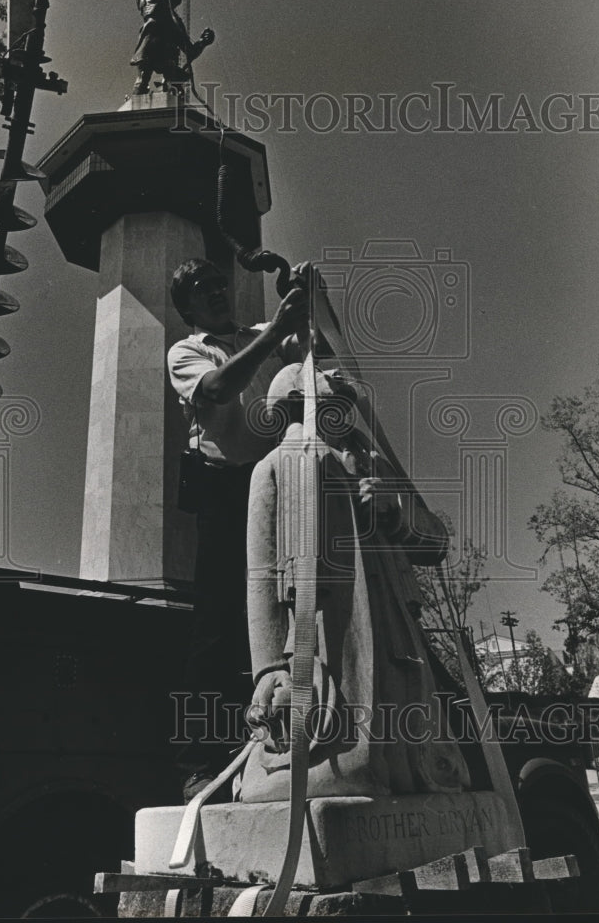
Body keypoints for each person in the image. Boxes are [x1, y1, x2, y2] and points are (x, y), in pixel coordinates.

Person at [241, 362, 469, 801]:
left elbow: (435, 542)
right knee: (340, 747)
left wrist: (395, 511)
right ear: (295, 403)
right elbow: (260, 578)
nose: (342, 407)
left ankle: (413, 777)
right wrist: (268, 669)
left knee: (413, 745)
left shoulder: (377, 466)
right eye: (331, 397)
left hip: (393, 627)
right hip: (324, 632)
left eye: (347, 402)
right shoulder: (272, 468)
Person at [167, 258, 308, 800]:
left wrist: (304, 300)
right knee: (218, 625)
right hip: (225, 490)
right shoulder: (187, 351)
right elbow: (220, 388)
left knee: (292, 610)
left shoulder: (263, 335)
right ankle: (197, 761)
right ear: (188, 309)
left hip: (278, 484)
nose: (218, 292)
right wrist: (278, 328)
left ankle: (288, 735)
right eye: (203, 288)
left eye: (220, 283)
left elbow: (320, 358)